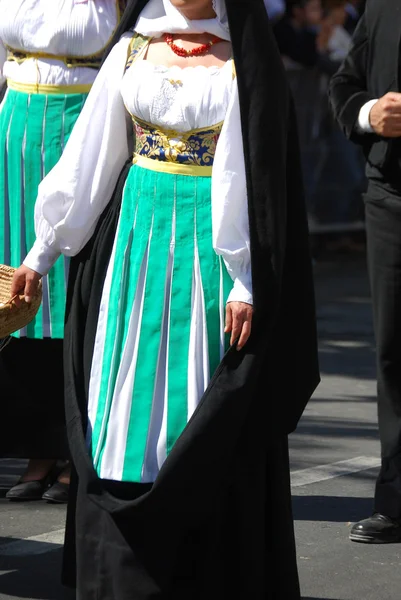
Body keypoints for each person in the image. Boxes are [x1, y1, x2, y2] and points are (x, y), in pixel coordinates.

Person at [12, 0, 319, 596]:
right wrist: (41, 253)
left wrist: (245, 278)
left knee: (195, 402)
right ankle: (121, 562)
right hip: (136, 248)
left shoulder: (246, 62)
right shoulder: (132, 48)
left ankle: (196, 555)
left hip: (209, 253)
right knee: (121, 396)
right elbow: (91, 158)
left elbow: (249, 176)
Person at [0, 0, 126, 503]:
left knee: (74, 294)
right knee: (16, 298)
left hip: (85, 130)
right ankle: (37, 449)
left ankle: (78, 448)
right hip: (14, 133)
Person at [330, 0, 401, 543]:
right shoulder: (383, 7)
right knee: (393, 352)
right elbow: (344, 84)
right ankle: (396, 502)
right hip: (390, 197)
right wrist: (368, 113)